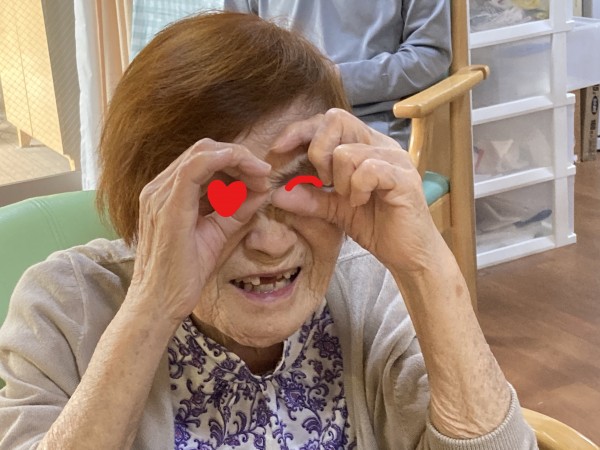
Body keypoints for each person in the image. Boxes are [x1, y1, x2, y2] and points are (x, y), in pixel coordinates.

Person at [0, 12, 536, 450]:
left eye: (304, 183)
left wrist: (424, 264)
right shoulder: (64, 307)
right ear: (149, 203)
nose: (272, 242)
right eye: (218, 194)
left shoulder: (365, 286)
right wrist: (151, 308)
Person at [223, 0, 452, 149]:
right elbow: (237, 50)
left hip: (367, 126)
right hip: (273, 124)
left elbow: (431, 55)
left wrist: (331, 82)